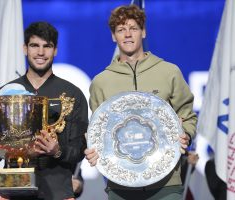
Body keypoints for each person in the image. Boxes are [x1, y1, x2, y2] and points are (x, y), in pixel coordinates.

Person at [84, 5, 197, 200]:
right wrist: (93, 150)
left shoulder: (169, 72)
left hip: (167, 184)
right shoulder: (101, 82)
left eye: (133, 28)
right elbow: (99, 131)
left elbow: (187, 116)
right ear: (113, 36)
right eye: (121, 30)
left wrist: (186, 134)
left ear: (143, 32)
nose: (127, 35)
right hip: (120, 188)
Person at [0, 22, 88, 200]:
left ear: (55, 50)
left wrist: (57, 151)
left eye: (47, 46)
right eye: (34, 45)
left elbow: (79, 150)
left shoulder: (72, 95)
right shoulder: (5, 94)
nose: (40, 52)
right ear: (25, 48)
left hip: (57, 192)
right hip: (13, 190)